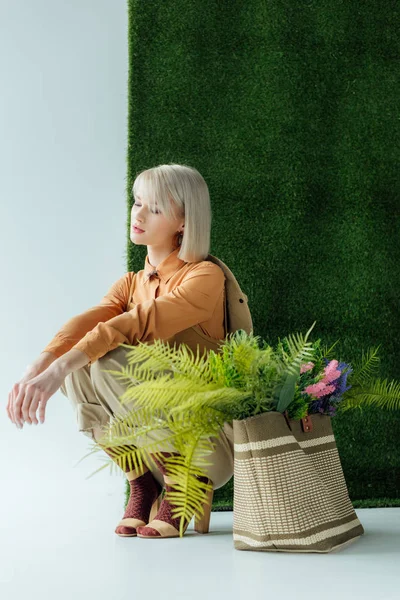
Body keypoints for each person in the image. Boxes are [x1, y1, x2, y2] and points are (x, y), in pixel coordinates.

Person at [6, 163, 237, 539]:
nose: (138, 214)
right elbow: (86, 324)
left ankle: (184, 486)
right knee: (82, 366)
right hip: (151, 445)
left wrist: (59, 368)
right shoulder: (131, 283)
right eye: (137, 202)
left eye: (155, 208)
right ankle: (143, 483)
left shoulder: (205, 277)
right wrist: (40, 366)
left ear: (183, 221)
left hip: (206, 442)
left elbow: (140, 322)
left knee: (107, 358)